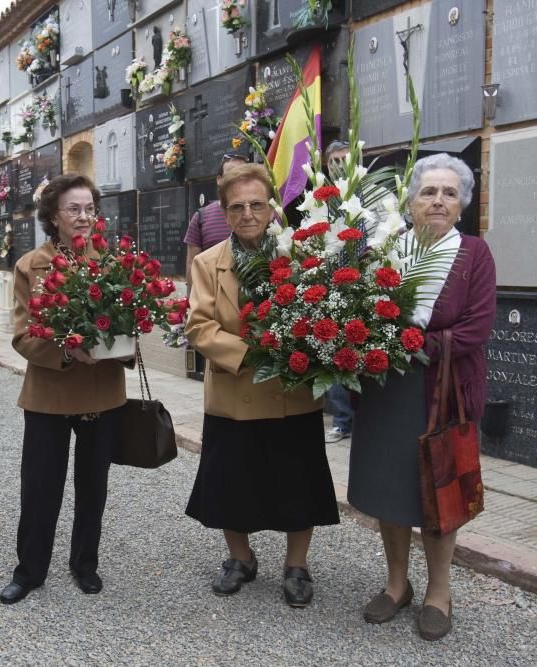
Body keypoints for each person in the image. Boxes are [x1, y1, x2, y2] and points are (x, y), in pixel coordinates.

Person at [348, 153, 496, 640]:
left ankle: (439, 591)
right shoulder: (388, 248)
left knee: (440, 490)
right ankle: (396, 585)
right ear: (411, 201)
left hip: (443, 390)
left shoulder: (474, 255)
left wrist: (408, 344)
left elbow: (474, 329)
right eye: (428, 192)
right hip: (386, 391)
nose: (438, 201)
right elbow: (362, 309)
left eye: (449, 193)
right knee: (391, 490)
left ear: (462, 206)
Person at [183, 163, 339, 608]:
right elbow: (199, 326)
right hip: (236, 392)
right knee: (231, 482)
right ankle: (240, 558)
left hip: (291, 392)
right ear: (225, 213)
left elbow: (320, 312)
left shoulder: (298, 257)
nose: (247, 213)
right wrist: (256, 355)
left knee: (298, 482)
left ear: (272, 208)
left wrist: (299, 349)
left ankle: (296, 566)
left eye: (256, 204)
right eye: (237, 206)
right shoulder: (207, 263)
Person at [0, 173, 128, 604]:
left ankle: (84, 564)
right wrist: (70, 352)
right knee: (40, 486)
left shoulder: (112, 262)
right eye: (74, 209)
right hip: (50, 395)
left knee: (94, 485)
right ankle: (30, 570)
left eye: (90, 208)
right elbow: (24, 335)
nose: (84, 217)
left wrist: (123, 346)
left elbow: (130, 322)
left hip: (101, 392)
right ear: (53, 216)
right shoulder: (31, 265)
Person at [322, 140, 355, 444]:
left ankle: (362, 420)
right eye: (333, 161)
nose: (339, 165)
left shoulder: (367, 194)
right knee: (334, 357)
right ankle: (342, 420)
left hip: (361, 285)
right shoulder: (324, 201)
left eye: (344, 159)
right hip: (332, 288)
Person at [183, 153, 249, 292]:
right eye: (231, 175)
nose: (236, 180)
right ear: (219, 179)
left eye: (242, 175)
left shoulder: (256, 215)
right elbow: (192, 263)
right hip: (213, 298)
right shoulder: (201, 217)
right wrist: (192, 302)